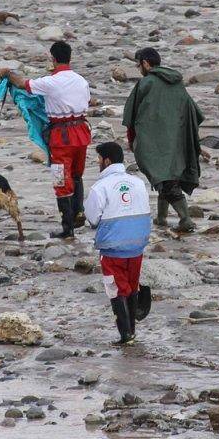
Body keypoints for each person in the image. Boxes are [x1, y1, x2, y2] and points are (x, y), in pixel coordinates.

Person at [0, 41, 91, 239]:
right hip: (82, 132)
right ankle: (79, 211)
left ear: (53, 59)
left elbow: (23, 84)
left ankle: (67, 228)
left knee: (60, 178)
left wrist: (8, 73)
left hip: (61, 136)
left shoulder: (51, 82)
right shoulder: (81, 80)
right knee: (77, 173)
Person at [122, 47, 205, 232]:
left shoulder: (146, 83)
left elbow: (131, 116)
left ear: (145, 63)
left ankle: (185, 219)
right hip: (178, 140)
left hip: (154, 142)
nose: (139, 68)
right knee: (166, 176)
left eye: (138, 65)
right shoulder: (178, 83)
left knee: (164, 179)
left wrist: (132, 140)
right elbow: (193, 112)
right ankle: (161, 218)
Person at [84, 142, 151, 345]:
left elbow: (93, 219)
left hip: (113, 248)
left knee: (116, 289)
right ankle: (132, 330)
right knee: (131, 286)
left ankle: (125, 335)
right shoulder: (138, 182)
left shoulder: (99, 187)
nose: (97, 163)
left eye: (98, 159)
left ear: (107, 160)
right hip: (137, 245)